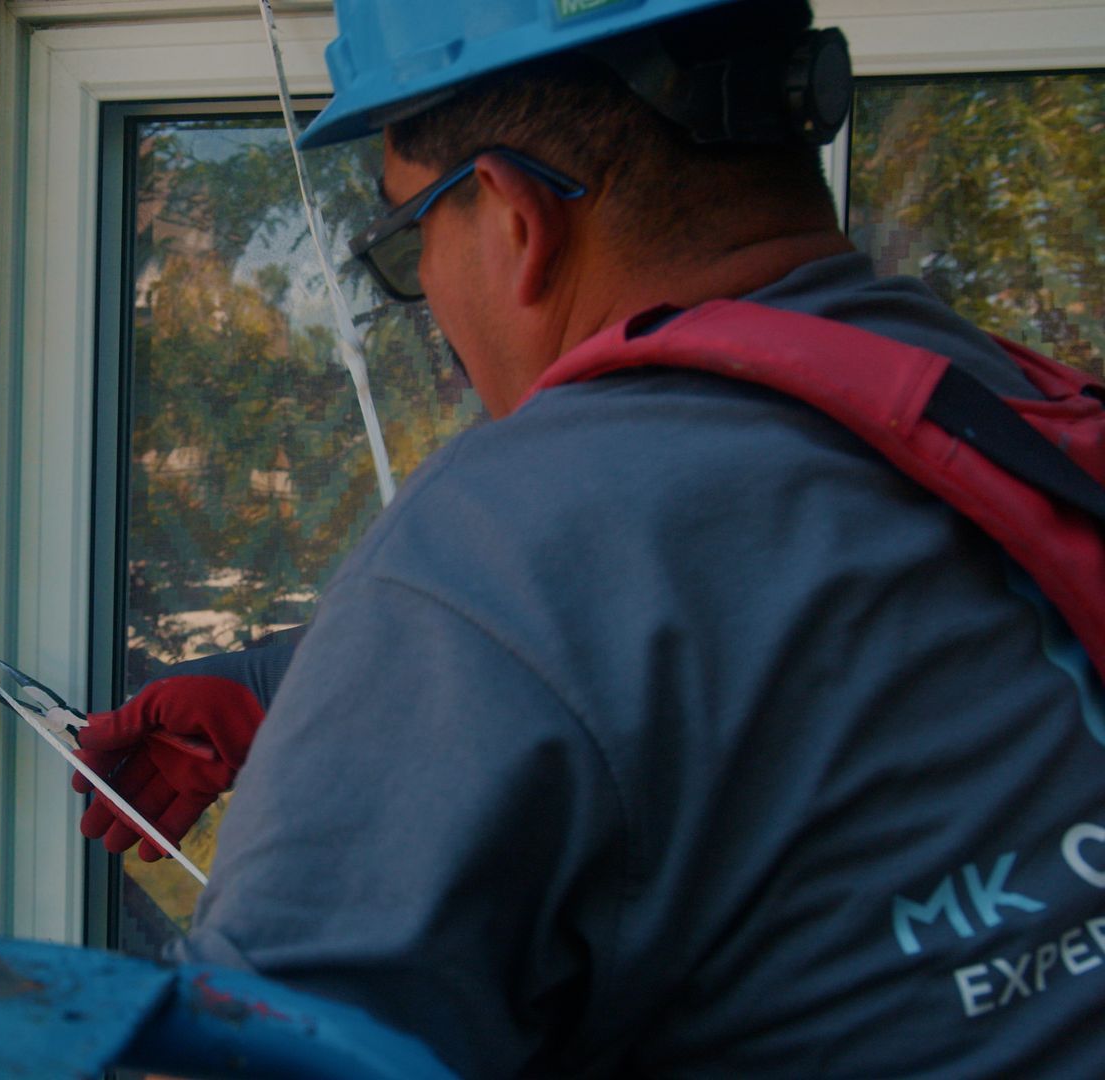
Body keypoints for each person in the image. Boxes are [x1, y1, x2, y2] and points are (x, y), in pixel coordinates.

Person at [70, 0, 1105, 1074]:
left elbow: (264, 1058)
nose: (422, 288)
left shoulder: (493, 544)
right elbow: (774, 637)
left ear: (515, 219)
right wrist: (285, 685)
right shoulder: (998, 408)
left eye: (406, 234)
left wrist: (418, 651)